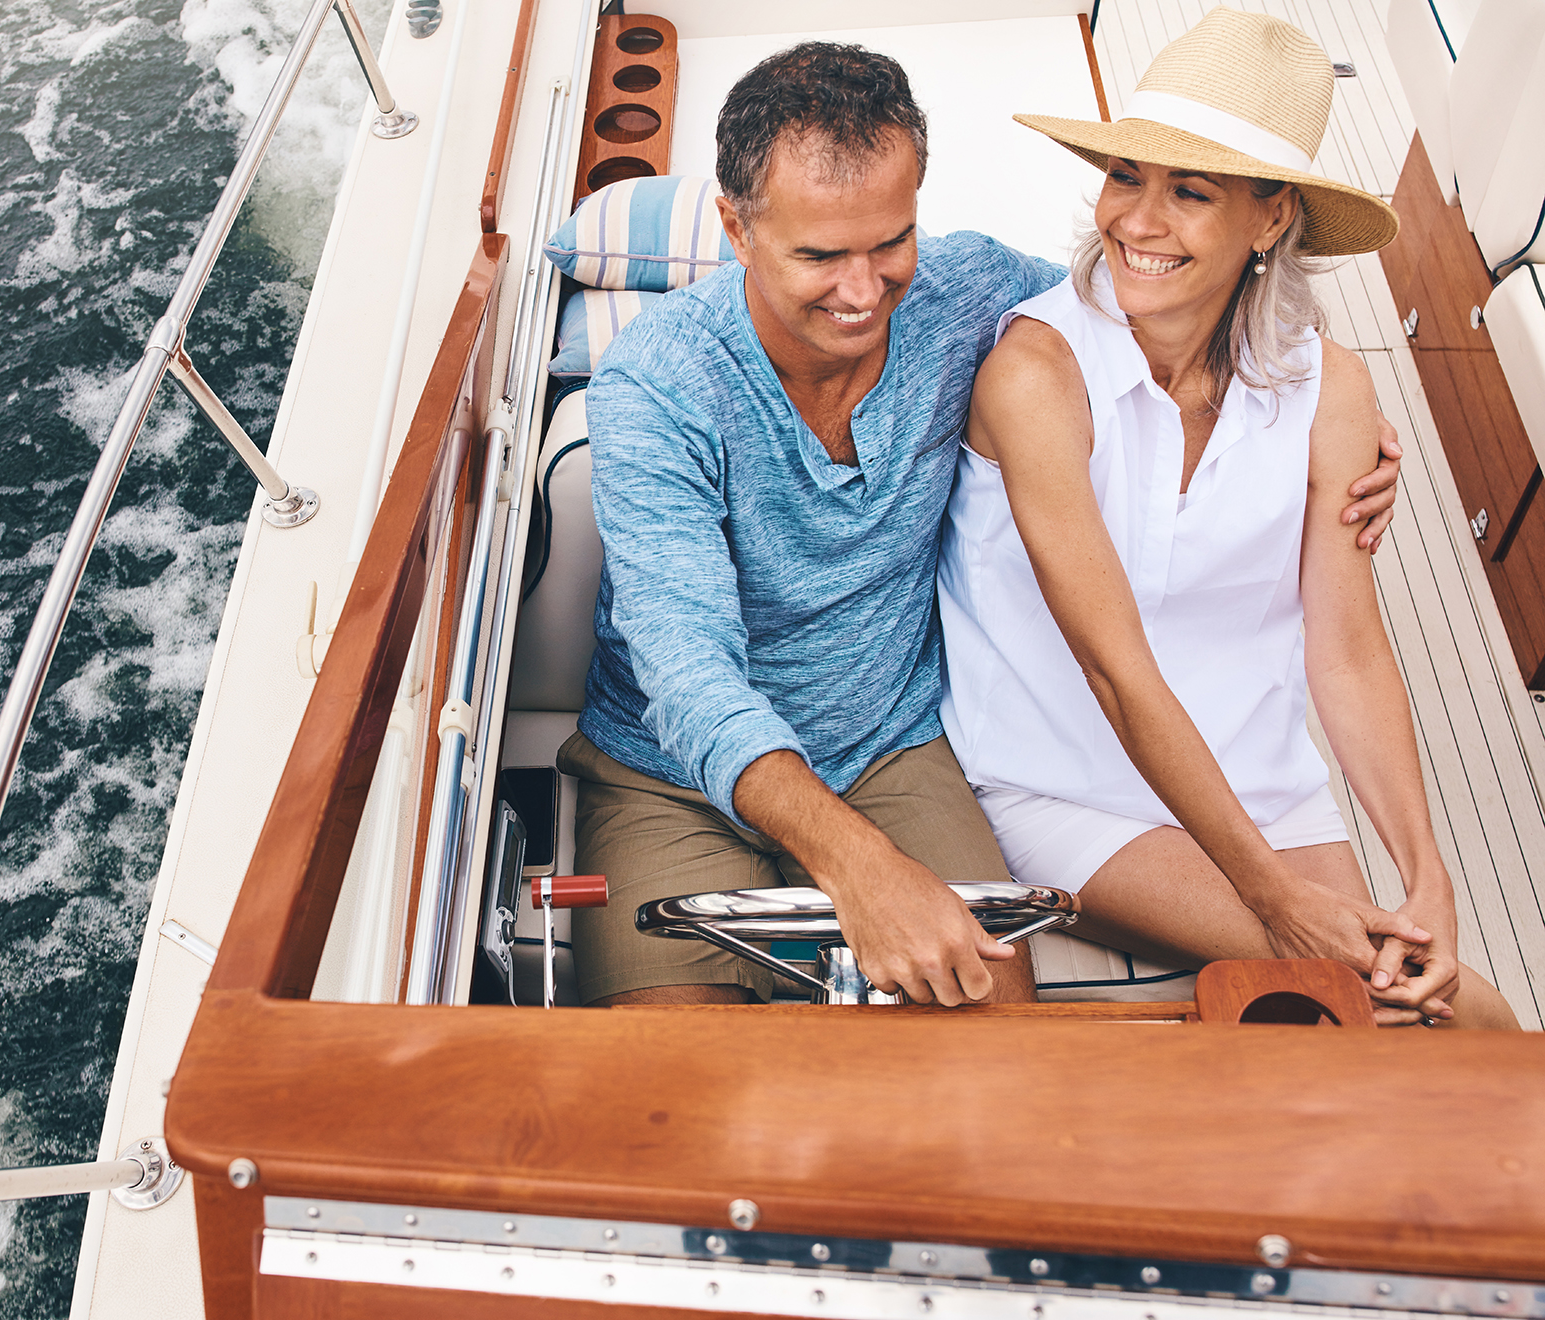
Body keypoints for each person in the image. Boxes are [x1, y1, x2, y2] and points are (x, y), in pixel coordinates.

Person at [563, 41, 1403, 1011]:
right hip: (670, 780)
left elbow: (1159, 295)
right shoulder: (655, 385)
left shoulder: (965, 292)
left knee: (1000, 1056)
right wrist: (861, 868)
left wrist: (1337, 428)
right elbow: (690, 678)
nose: (862, 292)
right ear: (736, 230)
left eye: (890, 243)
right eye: (820, 256)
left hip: (892, 751)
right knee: (675, 1078)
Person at [940, 8, 1517, 1028]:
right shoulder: (1036, 376)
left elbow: (1347, 651)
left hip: (1258, 778)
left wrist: (1428, 877)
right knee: (1424, 1008)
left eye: (1190, 192)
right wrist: (1277, 900)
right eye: (1126, 177)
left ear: (1270, 219)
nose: (1137, 221)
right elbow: (1115, 672)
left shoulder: (1332, 390)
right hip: (1060, 783)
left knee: (1458, 1019)